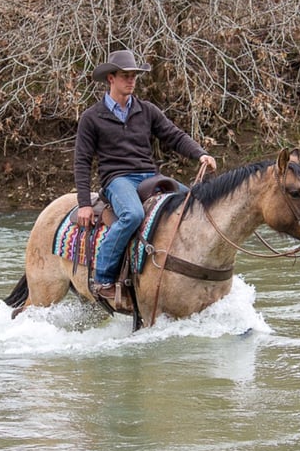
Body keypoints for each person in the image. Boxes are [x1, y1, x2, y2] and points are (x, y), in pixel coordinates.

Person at [74, 49, 217, 303]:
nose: (131, 81)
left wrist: (200, 154)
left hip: (149, 177)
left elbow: (174, 136)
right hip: (116, 179)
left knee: (196, 206)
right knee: (133, 215)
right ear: (111, 79)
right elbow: (82, 161)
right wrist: (84, 204)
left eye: (134, 76)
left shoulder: (146, 110)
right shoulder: (92, 117)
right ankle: (103, 277)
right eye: (125, 76)